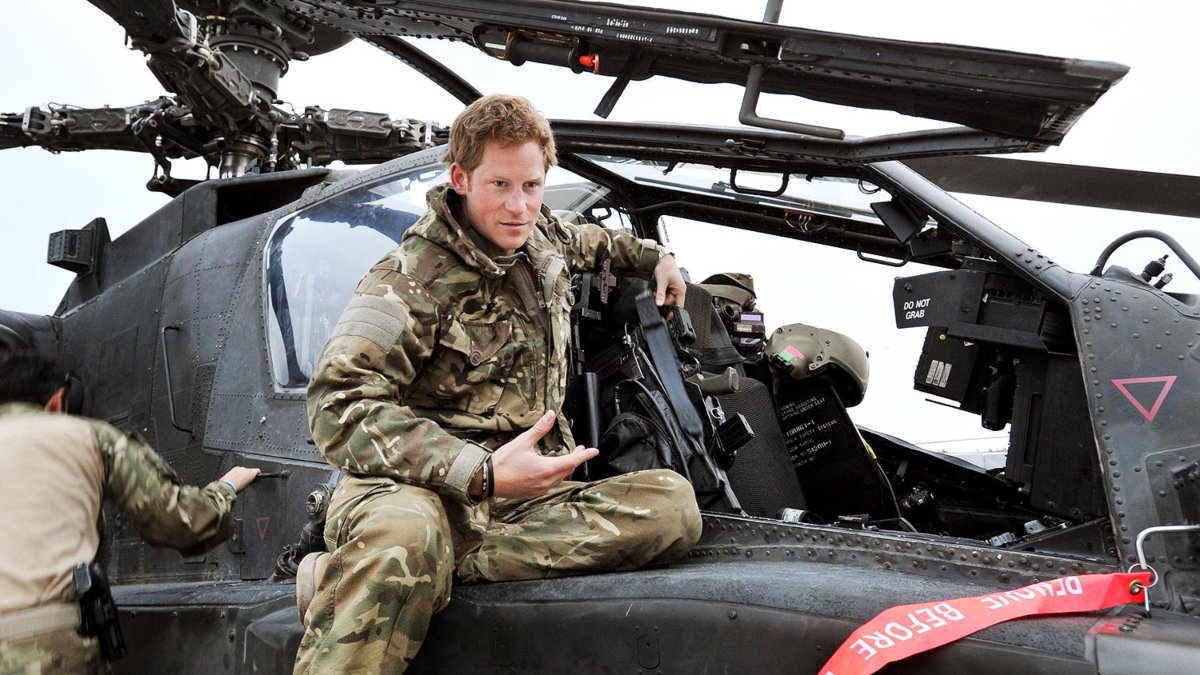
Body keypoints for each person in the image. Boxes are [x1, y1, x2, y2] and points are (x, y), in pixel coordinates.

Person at [295, 94, 702, 673]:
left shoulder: (542, 237)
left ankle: (436, 568)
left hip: (521, 499)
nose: (519, 206)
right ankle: (402, 564)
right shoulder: (406, 280)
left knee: (671, 508)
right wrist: (479, 472)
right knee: (406, 540)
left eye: (532, 186)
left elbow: (596, 242)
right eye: (500, 186)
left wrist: (658, 257)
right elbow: (337, 406)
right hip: (419, 491)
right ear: (460, 179)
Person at [0, 347, 260, 673]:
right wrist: (225, 489)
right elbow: (180, 522)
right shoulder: (89, 437)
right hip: (52, 653)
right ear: (56, 401)